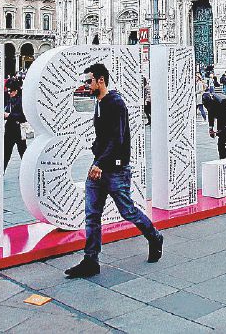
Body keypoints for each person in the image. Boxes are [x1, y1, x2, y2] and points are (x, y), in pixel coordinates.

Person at [65, 63, 164, 279]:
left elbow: (117, 138)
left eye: (89, 81)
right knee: (92, 215)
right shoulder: (99, 103)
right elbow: (104, 136)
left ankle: (154, 236)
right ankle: (91, 260)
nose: (86, 85)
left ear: (101, 80)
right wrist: (96, 152)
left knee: (127, 211)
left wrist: (100, 162)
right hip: (98, 167)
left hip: (115, 170)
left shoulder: (116, 103)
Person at [3, 82, 27, 170]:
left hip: (18, 130)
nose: (9, 93)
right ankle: (1, 173)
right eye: (8, 91)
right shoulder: (8, 100)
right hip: (9, 129)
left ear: (16, 91)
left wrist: (9, 116)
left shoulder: (21, 101)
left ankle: (26, 172)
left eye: (11, 91)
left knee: (23, 153)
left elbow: (23, 117)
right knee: (5, 154)